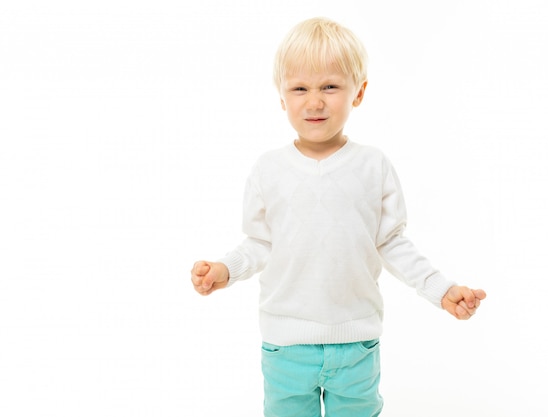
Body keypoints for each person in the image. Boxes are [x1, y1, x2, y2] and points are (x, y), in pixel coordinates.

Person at [191, 16, 487, 417]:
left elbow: (392, 243)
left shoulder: (373, 165)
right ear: (281, 97)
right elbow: (259, 242)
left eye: (330, 86)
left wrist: (441, 289)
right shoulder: (268, 169)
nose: (315, 101)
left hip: (356, 344)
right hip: (285, 345)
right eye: (300, 88)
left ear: (359, 92)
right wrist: (225, 269)